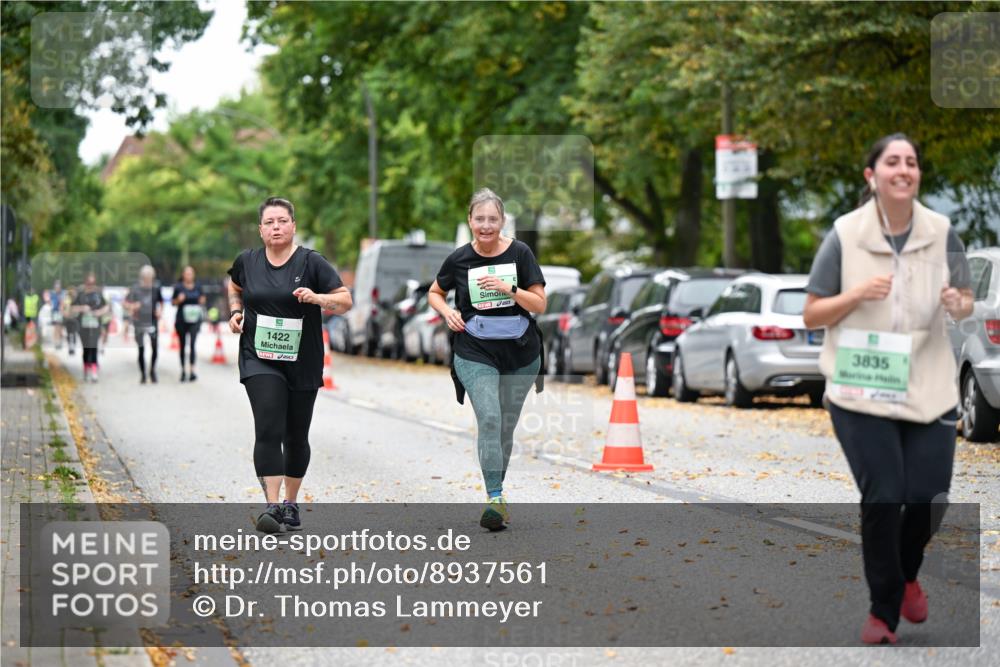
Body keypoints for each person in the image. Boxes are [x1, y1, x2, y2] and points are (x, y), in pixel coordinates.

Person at [802, 133, 973, 645]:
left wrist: (956, 301)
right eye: (892, 161)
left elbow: (965, 300)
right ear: (871, 176)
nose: (904, 169)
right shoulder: (844, 235)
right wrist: (855, 294)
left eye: (912, 162)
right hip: (860, 384)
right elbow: (812, 312)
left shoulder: (942, 232)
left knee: (928, 497)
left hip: (927, 381)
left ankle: (906, 573)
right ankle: (882, 612)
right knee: (884, 495)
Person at [228, 196, 352, 533]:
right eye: (269, 222)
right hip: (259, 356)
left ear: (293, 226)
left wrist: (317, 298)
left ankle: (291, 503)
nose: (276, 228)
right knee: (268, 425)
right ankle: (271, 505)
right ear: (260, 229)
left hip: (303, 359)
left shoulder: (312, 262)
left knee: (296, 435)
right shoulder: (248, 261)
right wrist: (236, 311)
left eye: (282, 221)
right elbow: (235, 285)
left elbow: (345, 300)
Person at [427, 188, 547, 531]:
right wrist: (446, 312)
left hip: (521, 352)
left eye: (492, 219)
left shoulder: (521, 254)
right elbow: (434, 292)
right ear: (469, 221)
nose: (486, 225)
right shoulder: (459, 258)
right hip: (474, 350)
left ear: (502, 221)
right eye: (479, 219)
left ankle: (499, 495)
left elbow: (540, 304)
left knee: (505, 427)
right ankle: (494, 498)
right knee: (490, 419)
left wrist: (508, 290)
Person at [125, 265, 162, 384]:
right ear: (142, 277)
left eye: (150, 277)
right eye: (146, 277)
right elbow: (125, 303)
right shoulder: (135, 288)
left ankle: (152, 371)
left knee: (155, 347)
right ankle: (143, 374)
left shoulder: (156, 287)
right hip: (139, 320)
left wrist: (160, 311)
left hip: (152, 320)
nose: (148, 280)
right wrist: (133, 306)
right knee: (141, 349)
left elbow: (161, 302)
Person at [72, 272, 109, 382]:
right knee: (86, 348)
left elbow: (106, 307)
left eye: (93, 283)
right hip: (83, 326)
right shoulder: (80, 294)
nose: (91, 285)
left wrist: (99, 312)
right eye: (89, 283)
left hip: (95, 325)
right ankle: (86, 369)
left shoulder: (98, 294)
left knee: (93, 346)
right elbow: (72, 307)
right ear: (85, 283)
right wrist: (82, 308)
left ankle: (94, 371)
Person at [172, 266, 206, 382]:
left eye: (191, 273)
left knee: (192, 344)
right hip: (181, 320)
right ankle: (183, 370)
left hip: (195, 319)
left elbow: (203, 299)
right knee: (182, 345)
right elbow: (173, 302)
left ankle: (192, 370)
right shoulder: (178, 287)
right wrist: (178, 300)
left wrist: (202, 300)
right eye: (186, 273)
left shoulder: (198, 286)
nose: (189, 276)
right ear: (183, 275)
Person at [50, 281, 65, 349]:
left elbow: (65, 302)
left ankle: (59, 342)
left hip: (61, 312)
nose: (57, 288)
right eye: (56, 287)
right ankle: (56, 342)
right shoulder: (53, 294)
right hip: (55, 312)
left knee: (60, 328)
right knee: (56, 327)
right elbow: (53, 304)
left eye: (58, 287)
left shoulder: (63, 293)